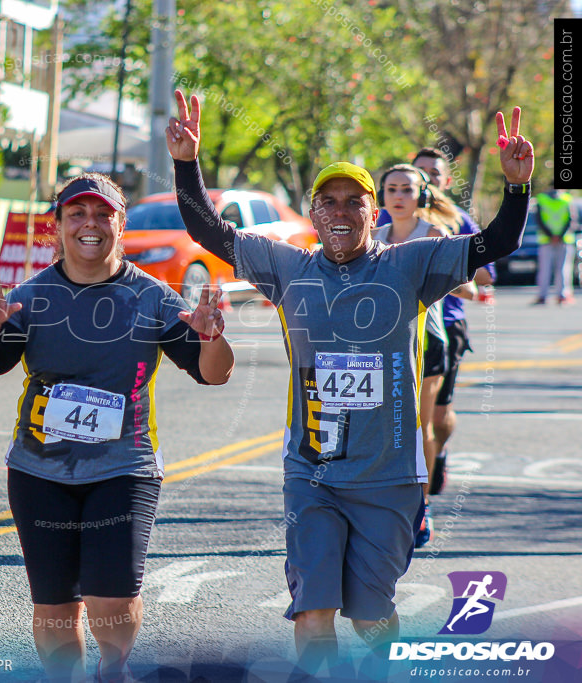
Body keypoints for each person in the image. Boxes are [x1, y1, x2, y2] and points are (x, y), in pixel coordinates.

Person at [166, 90, 532, 678]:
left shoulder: (411, 264)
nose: (340, 211)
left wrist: (517, 189)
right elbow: (208, 231)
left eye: (354, 202)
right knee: (313, 611)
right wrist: (188, 163)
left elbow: (498, 244)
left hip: (388, 477)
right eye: (327, 201)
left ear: (373, 213)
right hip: (310, 473)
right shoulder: (289, 266)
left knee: (370, 617)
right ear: (313, 214)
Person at [0, 173, 234, 683]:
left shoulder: (152, 298)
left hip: (123, 468)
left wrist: (212, 336)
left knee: (111, 601)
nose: (90, 225)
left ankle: (112, 669)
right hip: (39, 472)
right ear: (58, 227)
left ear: (120, 224)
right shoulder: (30, 298)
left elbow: (213, 374)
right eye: (76, 214)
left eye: (102, 214)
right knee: (55, 608)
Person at [374, 163, 466, 547]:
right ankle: (378, 504)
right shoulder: (372, 235)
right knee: (382, 429)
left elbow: (461, 282)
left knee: (417, 427)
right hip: (380, 343)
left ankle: (421, 505)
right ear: (381, 195)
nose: (398, 196)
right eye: (392, 189)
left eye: (406, 189)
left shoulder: (434, 234)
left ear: (421, 195)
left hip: (426, 340)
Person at [408, 148, 496, 496]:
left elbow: (486, 275)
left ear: (445, 179)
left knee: (437, 419)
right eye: (419, 171)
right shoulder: (388, 214)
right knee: (406, 417)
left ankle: (437, 455)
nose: (426, 176)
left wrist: (447, 272)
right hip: (400, 326)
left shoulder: (456, 220)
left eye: (433, 171)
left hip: (445, 326)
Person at [534, 186, 576, 305]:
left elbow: (539, 219)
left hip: (547, 240)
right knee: (563, 269)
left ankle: (542, 296)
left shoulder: (541, 198)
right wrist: (559, 235)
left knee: (544, 269)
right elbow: (571, 219)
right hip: (564, 240)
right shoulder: (567, 199)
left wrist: (551, 235)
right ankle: (562, 295)